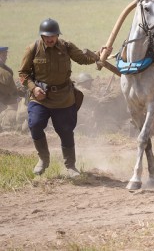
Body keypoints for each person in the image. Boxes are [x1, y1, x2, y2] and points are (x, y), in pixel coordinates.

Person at [18, 19, 102, 176]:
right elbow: (22, 74)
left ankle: (70, 166)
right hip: (40, 98)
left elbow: (83, 59)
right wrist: (33, 88)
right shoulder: (33, 49)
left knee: (66, 130)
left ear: (57, 35)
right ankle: (43, 159)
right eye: (46, 36)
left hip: (64, 98)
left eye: (53, 36)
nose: (50, 39)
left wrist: (98, 55)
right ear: (42, 36)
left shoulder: (66, 46)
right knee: (35, 124)